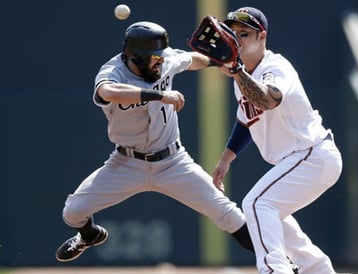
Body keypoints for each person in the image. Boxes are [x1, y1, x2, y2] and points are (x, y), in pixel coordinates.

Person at [55, 21, 255, 262]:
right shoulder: (113, 72)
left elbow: (192, 59)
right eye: (154, 58)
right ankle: (89, 236)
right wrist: (160, 95)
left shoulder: (165, 59)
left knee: (230, 216)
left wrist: (218, 63)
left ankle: (281, 263)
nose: (161, 61)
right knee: (73, 212)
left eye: (162, 57)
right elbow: (108, 92)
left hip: (173, 161)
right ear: (136, 58)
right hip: (125, 163)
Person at [212, 7, 343, 274]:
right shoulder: (243, 76)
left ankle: (275, 270)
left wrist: (237, 71)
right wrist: (225, 159)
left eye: (244, 34)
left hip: (312, 154)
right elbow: (247, 120)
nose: (237, 40)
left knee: (257, 204)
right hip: (303, 159)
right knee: (275, 216)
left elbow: (268, 100)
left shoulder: (275, 67)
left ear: (262, 37)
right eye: (233, 34)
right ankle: (318, 269)